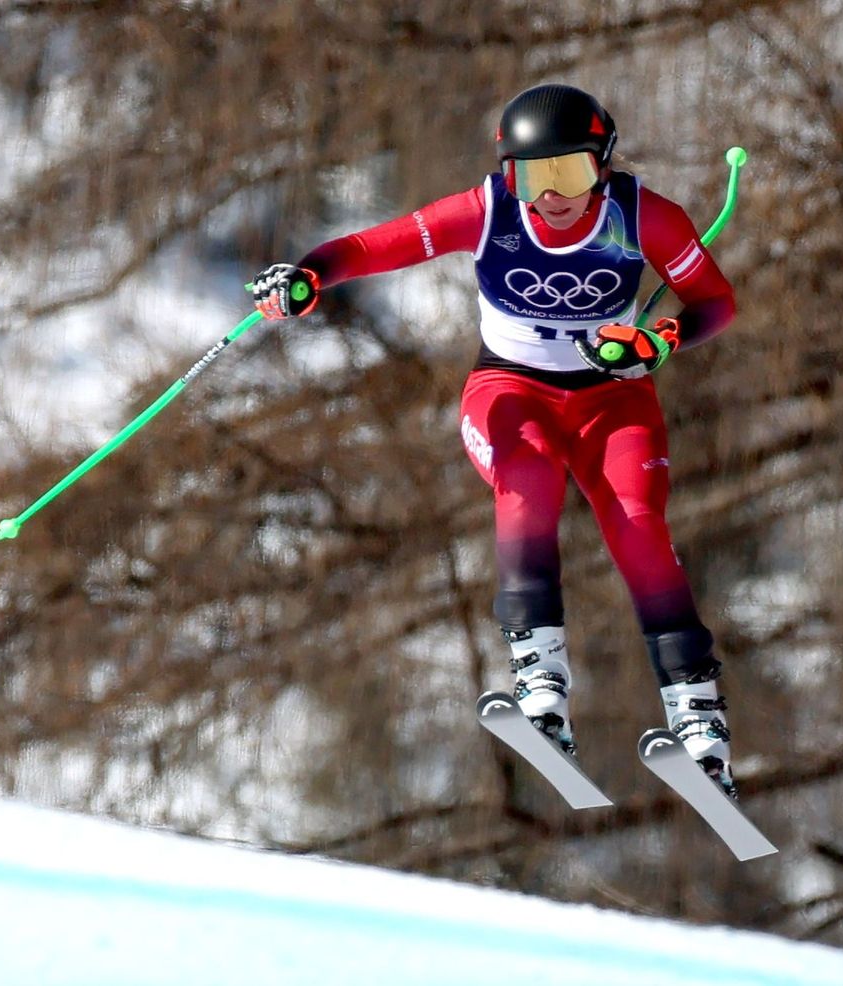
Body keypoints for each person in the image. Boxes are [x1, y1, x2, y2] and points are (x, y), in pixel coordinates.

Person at [251, 84, 740, 795]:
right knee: (527, 476)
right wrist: (308, 276)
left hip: (614, 398)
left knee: (638, 525)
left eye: (569, 172)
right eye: (532, 177)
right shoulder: (488, 213)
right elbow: (375, 245)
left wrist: (659, 340)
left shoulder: (643, 217)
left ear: (603, 164)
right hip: (511, 390)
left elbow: (716, 302)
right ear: (508, 174)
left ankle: (698, 717)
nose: (552, 196)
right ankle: (540, 681)